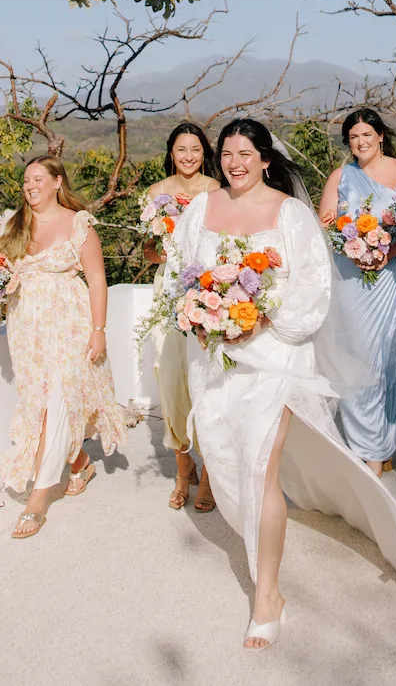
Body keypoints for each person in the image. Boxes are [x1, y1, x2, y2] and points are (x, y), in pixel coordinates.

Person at [171, 118, 396, 653]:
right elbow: (181, 275)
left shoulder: (290, 212)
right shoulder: (199, 211)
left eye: (245, 153)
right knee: (226, 461)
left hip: (276, 356)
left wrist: (260, 319)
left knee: (258, 467)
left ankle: (267, 596)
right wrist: (203, 313)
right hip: (214, 357)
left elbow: (313, 286)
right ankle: (283, 534)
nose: (234, 162)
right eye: (226, 153)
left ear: (265, 159)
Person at [0, 155, 127, 539]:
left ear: (56, 182)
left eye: (37, 179)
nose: (30, 186)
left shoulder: (77, 223)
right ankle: (81, 464)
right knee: (39, 402)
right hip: (26, 329)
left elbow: (97, 278)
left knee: (58, 400)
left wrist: (99, 329)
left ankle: (38, 498)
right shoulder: (11, 225)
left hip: (69, 322)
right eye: (26, 181)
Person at [319, 109, 396, 475]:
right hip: (353, 280)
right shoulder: (341, 176)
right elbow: (327, 227)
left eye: (367, 135)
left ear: (380, 136)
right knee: (364, 365)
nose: (360, 142)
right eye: (353, 137)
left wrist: (387, 251)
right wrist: (356, 249)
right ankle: (372, 447)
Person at [142, 121, 219, 513]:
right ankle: (182, 465)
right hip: (168, 291)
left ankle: (208, 474)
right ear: (171, 152)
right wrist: (164, 241)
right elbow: (148, 251)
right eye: (181, 149)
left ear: (204, 153)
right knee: (169, 374)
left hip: (206, 289)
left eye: (195, 149)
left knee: (205, 378)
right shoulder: (156, 193)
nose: (188, 156)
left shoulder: (217, 191)